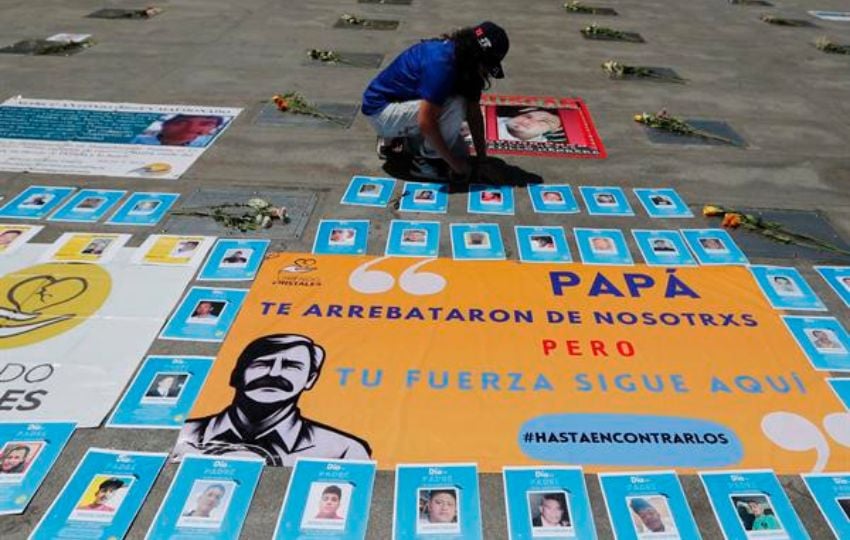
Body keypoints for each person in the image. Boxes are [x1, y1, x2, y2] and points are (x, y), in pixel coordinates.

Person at [173, 334, 371, 466]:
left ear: (310, 379)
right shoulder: (181, 434)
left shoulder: (343, 450)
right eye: (262, 364)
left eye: (291, 366)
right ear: (236, 374)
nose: (274, 373)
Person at [362, 22, 509, 180]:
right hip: (381, 111)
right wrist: (455, 165)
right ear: (477, 56)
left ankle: (406, 140)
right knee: (456, 104)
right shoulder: (442, 63)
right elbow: (426, 121)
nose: (486, 71)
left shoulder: (466, 63)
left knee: (460, 153)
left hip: (405, 102)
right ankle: (426, 163)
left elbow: (474, 114)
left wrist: (482, 161)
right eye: (487, 65)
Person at [132, 115, 225, 147]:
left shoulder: (205, 143)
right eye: (181, 123)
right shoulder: (136, 140)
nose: (190, 128)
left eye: (206, 124)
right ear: (165, 125)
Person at [499, 107, 565, 143]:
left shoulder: (542, 144)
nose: (526, 121)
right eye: (527, 116)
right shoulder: (496, 119)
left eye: (543, 121)